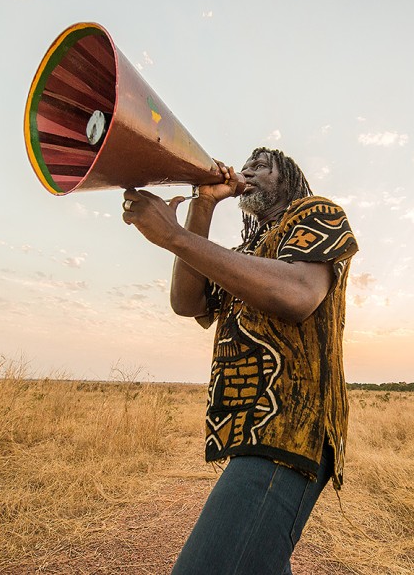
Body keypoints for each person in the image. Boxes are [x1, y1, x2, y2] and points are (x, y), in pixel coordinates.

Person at [122, 147, 358, 575]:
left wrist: (174, 236)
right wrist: (204, 206)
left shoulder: (316, 212)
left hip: (292, 427)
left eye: (260, 167)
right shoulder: (243, 251)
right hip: (252, 427)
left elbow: (298, 294)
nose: (246, 171)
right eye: (244, 165)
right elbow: (187, 302)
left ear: (287, 178)